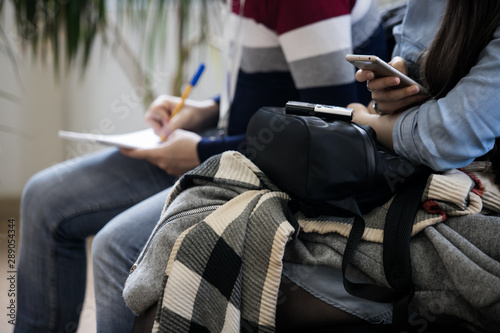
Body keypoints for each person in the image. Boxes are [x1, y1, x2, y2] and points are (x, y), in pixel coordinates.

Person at [14, 0, 387, 332]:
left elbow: (330, 135)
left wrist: (199, 152)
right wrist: (206, 109)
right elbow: (277, 84)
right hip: (235, 143)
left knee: (118, 246)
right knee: (44, 197)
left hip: (276, 171)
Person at [274, 0, 500, 331]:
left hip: (467, 184)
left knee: (242, 249)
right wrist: (393, 93)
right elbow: (419, 98)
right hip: (419, 165)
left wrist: (362, 119)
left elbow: (448, 135)